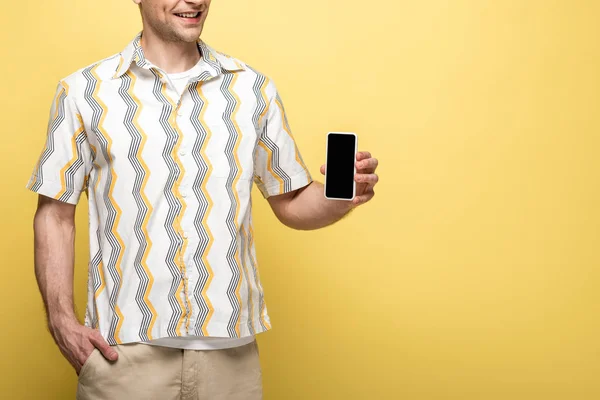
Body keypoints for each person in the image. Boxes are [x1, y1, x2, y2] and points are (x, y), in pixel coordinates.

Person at [26, 0, 379, 398]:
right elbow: (55, 213)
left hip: (231, 361)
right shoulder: (83, 91)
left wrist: (341, 196)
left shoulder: (252, 88)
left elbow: (293, 202)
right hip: (122, 356)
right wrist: (61, 320)